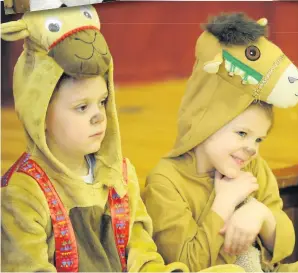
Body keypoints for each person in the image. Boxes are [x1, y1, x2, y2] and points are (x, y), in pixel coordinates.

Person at [0, 6, 191, 272]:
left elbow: (143, 255)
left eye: (102, 102)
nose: (98, 116)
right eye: (82, 107)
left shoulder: (121, 175)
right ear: (40, 112)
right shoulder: (22, 193)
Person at [143, 12, 298, 272]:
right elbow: (187, 263)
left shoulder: (253, 166)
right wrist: (223, 205)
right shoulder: (165, 182)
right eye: (242, 134)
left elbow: (285, 243)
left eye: (258, 139)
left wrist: (261, 215)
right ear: (205, 121)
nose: (251, 147)